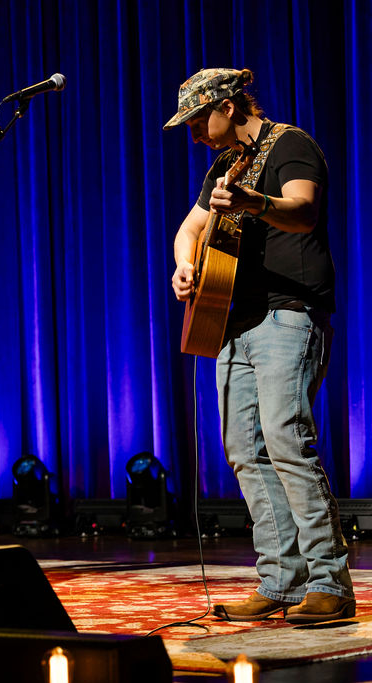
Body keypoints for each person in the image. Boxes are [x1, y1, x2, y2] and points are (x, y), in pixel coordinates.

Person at [166, 68, 352, 624]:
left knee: (286, 441)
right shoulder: (224, 165)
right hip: (232, 321)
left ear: (227, 105)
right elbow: (189, 229)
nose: (196, 135)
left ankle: (329, 582)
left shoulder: (290, 144)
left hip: (288, 315)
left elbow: (303, 210)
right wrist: (184, 264)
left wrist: (255, 202)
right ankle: (280, 580)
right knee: (245, 451)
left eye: (200, 122)